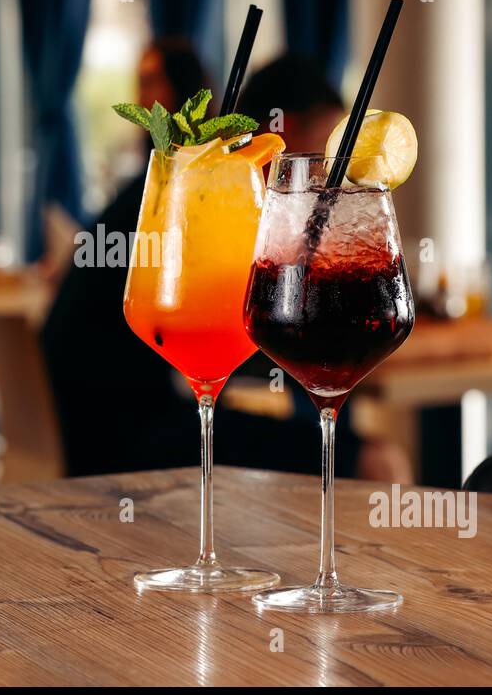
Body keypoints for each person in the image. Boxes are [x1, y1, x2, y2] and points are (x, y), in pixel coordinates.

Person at [43, 44, 408, 481]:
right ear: (284, 132)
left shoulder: (170, 183)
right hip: (127, 438)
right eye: (324, 146)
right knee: (374, 459)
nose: (330, 172)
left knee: (308, 437)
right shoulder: (223, 200)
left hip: (88, 428)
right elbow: (252, 317)